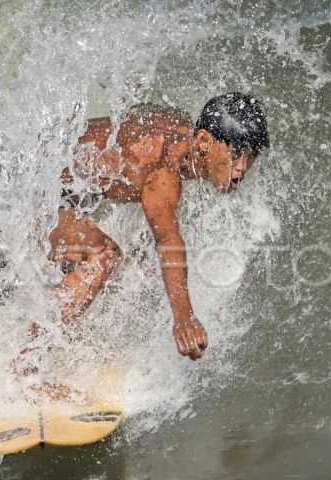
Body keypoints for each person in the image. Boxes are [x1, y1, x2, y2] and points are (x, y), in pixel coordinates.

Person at [37, 92, 269, 363]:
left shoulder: (182, 128)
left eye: (250, 156)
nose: (242, 167)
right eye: (236, 153)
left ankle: (60, 329)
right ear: (204, 141)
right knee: (104, 256)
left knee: (142, 269)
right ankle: (26, 365)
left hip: (50, 169)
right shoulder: (163, 174)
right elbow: (168, 240)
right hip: (37, 195)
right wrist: (184, 320)